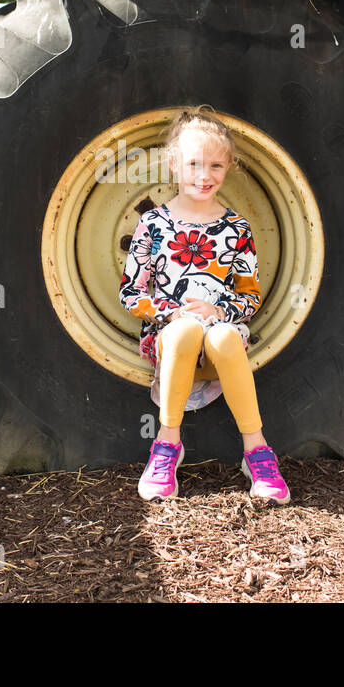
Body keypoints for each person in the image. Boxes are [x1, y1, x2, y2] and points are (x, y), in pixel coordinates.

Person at [118, 105, 291, 504]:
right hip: (170, 337)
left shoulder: (237, 228)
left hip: (220, 336)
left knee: (226, 337)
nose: (204, 175)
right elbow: (131, 293)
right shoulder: (155, 225)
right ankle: (166, 446)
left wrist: (219, 312)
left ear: (228, 166)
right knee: (184, 330)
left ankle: (257, 452)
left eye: (215, 165)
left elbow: (249, 295)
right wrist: (170, 312)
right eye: (194, 163)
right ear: (173, 164)